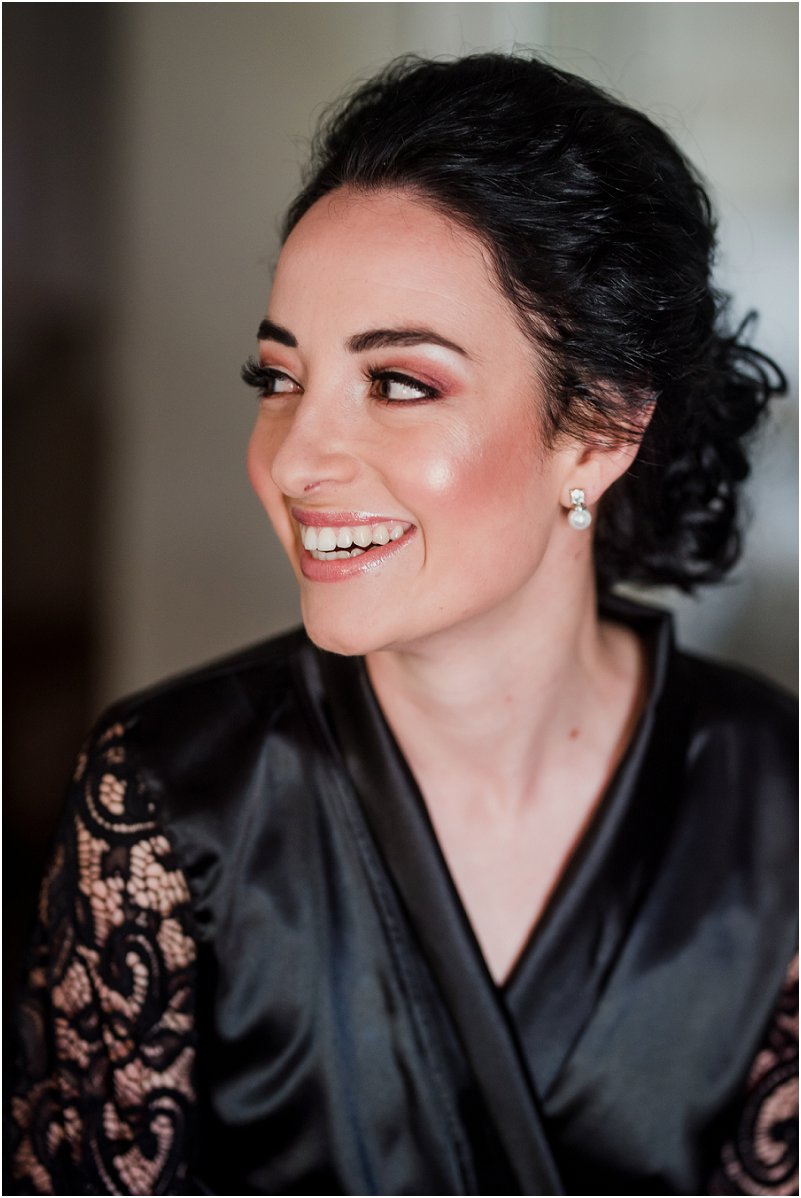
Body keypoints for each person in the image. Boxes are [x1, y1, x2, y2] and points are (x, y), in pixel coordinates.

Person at [8, 53, 797, 1196]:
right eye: (278, 378)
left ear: (599, 429)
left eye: (398, 383)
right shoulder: (167, 798)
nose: (297, 460)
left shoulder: (779, 805)